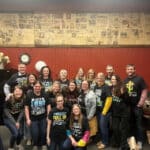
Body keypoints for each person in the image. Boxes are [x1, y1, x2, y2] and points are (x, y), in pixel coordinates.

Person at [124, 64, 148, 150]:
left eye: (131, 69)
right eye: (128, 69)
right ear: (126, 70)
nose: (129, 70)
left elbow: (145, 90)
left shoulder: (139, 79)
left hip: (137, 106)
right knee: (130, 124)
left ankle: (140, 141)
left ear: (134, 70)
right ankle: (131, 141)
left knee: (139, 125)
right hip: (128, 107)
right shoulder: (125, 80)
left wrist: (140, 103)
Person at [24, 81, 51, 150]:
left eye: (39, 86)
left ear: (41, 87)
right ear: (33, 87)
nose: (37, 88)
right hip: (33, 118)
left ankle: (43, 144)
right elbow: (26, 108)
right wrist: (28, 119)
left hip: (43, 117)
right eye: (36, 86)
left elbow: (48, 106)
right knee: (35, 133)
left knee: (43, 131)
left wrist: (48, 116)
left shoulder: (45, 94)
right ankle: (35, 144)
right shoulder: (29, 95)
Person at [111, 74, 130, 150]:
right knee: (115, 128)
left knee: (122, 129)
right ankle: (117, 143)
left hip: (124, 112)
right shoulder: (111, 88)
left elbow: (128, 101)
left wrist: (123, 94)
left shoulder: (123, 87)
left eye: (114, 79)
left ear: (117, 80)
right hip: (115, 112)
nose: (112, 80)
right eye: (112, 79)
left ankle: (123, 146)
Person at [94, 72, 112, 149]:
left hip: (105, 111)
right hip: (98, 110)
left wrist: (104, 111)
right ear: (96, 78)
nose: (100, 78)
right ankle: (102, 140)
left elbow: (109, 99)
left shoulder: (106, 87)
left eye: (101, 77)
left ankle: (105, 142)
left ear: (104, 78)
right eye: (98, 77)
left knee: (103, 126)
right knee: (100, 127)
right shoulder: (95, 86)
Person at [3, 86, 24, 150]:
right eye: (16, 91)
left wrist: (18, 121)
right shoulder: (9, 99)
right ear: (13, 92)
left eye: (20, 91)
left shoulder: (23, 99)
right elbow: (7, 113)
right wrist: (15, 122)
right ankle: (11, 147)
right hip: (8, 118)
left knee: (21, 134)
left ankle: (18, 144)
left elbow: (22, 112)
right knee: (15, 134)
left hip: (18, 119)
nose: (18, 92)